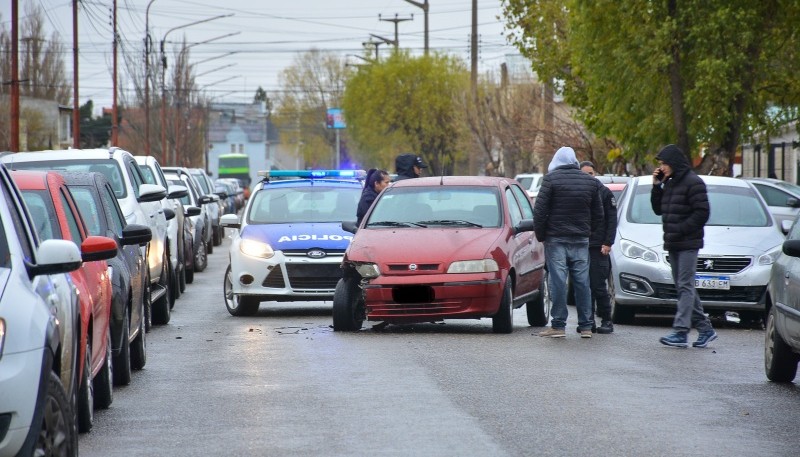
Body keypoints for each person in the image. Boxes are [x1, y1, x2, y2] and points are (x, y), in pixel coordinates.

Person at [651, 144, 717, 348]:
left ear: (674, 163)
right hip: (673, 242)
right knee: (683, 286)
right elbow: (657, 210)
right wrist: (656, 186)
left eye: (664, 164)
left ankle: (680, 332)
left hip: (688, 242)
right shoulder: (669, 183)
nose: (662, 168)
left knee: (686, 285)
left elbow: (702, 213)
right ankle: (705, 329)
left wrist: (681, 229)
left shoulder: (693, 182)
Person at [533, 146, 603, 338]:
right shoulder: (590, 182)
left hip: (556, 239)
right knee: (582, 282)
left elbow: (539, 211)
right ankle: (586, 326)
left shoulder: (551, 180)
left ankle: (558, 326)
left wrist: (541, 235)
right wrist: (588, 232)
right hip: (581, 239)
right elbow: (599, 214)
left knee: (558, 282)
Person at [580, 161, 618, 334]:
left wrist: (608, 243)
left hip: (599, 247)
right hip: (582, 245)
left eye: (591, 173)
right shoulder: (579, 193)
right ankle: (588, 322)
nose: (588, 177)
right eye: (584, 174)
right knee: (584, 286)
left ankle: (606, 320)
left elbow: (612, 221)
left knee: (598, 285)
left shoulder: (604, 193)